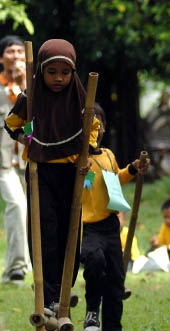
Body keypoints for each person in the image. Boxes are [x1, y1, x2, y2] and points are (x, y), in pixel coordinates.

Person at [4, 39, 99, 314]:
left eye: (65, 73)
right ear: (40, 71)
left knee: (68, 232)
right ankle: (46, 296)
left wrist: (86, 154)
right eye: (52, 72)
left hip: (70, 172)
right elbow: (12, 125)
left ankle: (63, 293)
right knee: (44, 231)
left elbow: (93, 128)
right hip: (40, 170)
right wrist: (29, 139)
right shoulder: (30, 97)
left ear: (73, 73)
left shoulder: (82, 98)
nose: (59, 78)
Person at [80, 103, 149, 331]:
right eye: (88, 124)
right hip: (86, 228)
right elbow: (82, 187)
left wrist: (131, 169)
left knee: (116, 278)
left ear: (104, 128)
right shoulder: (79, 159)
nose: (93, 128)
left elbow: (113, 179)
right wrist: (81, 172)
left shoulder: (108, 155)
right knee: (95, 261)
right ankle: (91, 310)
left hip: (110, 226)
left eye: (97, 123)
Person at [0, 35, 29, 284]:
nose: (16, 56)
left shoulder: (34, 90)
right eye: (11, 51)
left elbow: (34, 128)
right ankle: (16, 269)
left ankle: (23, 265)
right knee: (17, 206)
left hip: (29, 160)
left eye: (20, 52)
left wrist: (24, 87)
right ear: (2, 58)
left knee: (31, 211)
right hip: (3, 164)